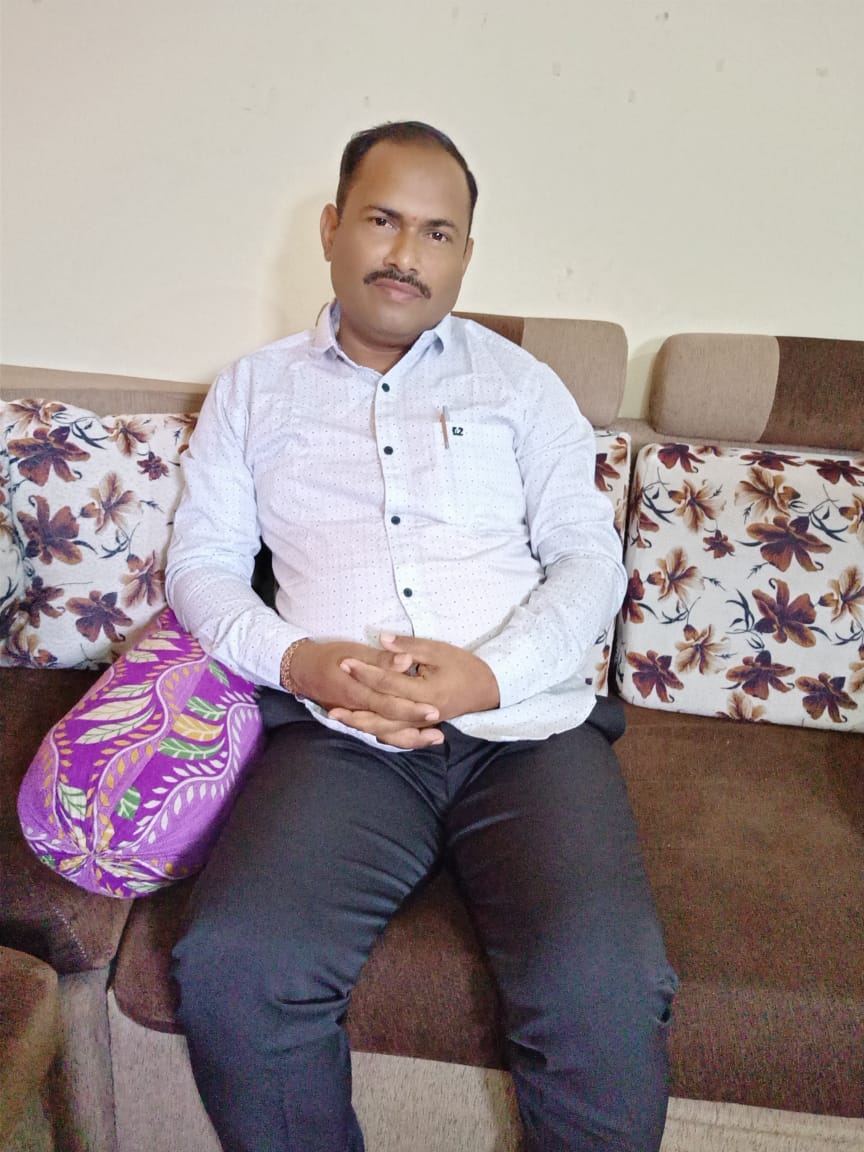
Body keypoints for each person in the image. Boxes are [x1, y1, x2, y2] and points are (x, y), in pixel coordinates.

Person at [166, 120, 677, 1152]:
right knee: (234, 964)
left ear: (465, 255)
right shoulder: (253, 391)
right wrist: (302, 662)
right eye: (383, 220)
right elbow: (203, 568)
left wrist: (487, 676)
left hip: (527, 735)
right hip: (339, 737)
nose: (407, 253)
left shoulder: (520, 385)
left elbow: (589, 558)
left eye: (437, 233)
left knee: (603, 985)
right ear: (331, 229)